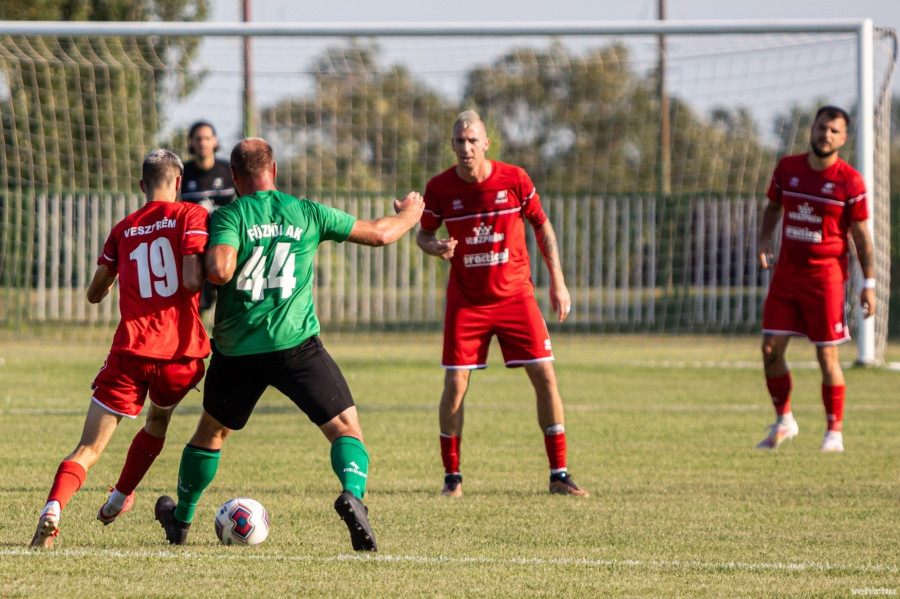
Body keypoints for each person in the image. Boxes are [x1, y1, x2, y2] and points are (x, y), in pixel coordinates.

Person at [154, 138, 424, 552]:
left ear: (235, 178)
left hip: (239, 349)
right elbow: (380, 234)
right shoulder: (307, 211)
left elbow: (221, 271)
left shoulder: (230, 214)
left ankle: (183, 518)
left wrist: (215, 258)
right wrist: (409, 213)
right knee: (345, 429)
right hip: (296, 345)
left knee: (212, 432)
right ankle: (352, 494)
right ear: (274, 171)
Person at [30, 150, 210, 548]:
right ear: (178, 183)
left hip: (131, 351)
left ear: (142, 185)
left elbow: (95, 293)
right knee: (157, 422)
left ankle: (53, 509)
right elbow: (196, 278)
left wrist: (114, 279)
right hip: (179, 355)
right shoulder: (191, 216)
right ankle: (116, 499)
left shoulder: (124, 228)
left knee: (88, 448)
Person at [416, 110, 588, 498]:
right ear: (452, 145)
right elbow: (423, 236)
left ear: (486, 143)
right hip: (467, 302)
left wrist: (558, 282)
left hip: (515, 298)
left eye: (473, 140)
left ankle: (559, 475)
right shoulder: (440, 188)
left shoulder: (514, 179)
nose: (466, 147)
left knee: (545, 376)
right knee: (455, 383)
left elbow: (541, 225)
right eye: (459, 141)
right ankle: (452, 479)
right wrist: (435, 247)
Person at [756, 105, 876, 453]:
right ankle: (785, 420)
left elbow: (861, 236)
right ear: (812, 129)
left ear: (843, 138)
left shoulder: (849, 180)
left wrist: (868, 283)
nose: (826, 134)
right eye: (822, 127)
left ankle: (833, 433)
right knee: (769, 349)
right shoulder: (787, 168)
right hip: (786, 277)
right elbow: (773, 207)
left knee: (827, 358)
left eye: (834, 131)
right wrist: (765, 240)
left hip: (826, 278)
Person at [181, 120, 236, 313]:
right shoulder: (183, 173)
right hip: (196, 248)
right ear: (191, 143)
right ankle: (196, 341)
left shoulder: (229, 171)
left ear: (215, 141)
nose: (202, 142)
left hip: (224, 245)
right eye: (198, 139)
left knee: (229, 303)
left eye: (206, 138)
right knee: (196, 305)